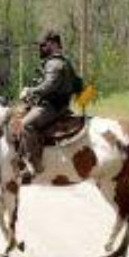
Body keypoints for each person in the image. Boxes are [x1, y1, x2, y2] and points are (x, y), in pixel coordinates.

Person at [20, 30, 79, 173]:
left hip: (52, 106)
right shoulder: (63, 61)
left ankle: (34, 164)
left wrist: (30, 91)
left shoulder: (54, 63)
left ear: (53, 44)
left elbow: (49, 85)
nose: (41, 49)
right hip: (58, 105)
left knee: (26, 125)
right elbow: (78, 84)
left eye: (43, 45)